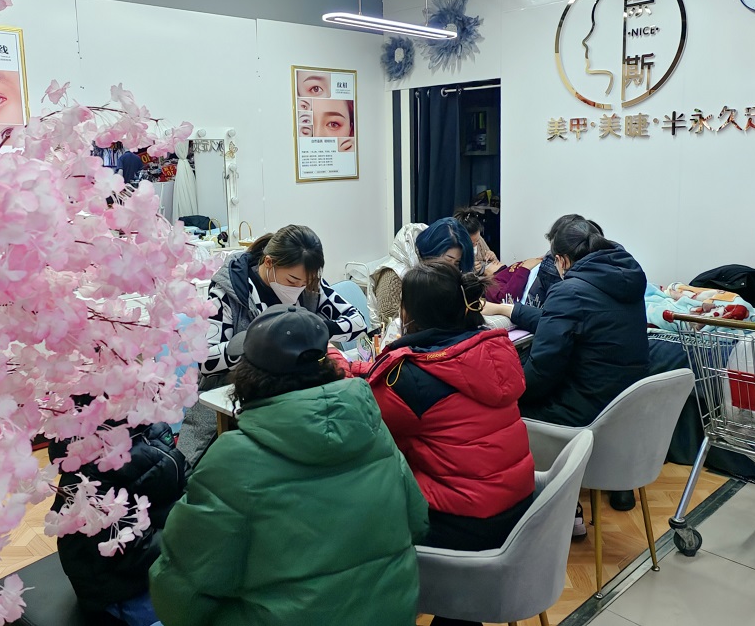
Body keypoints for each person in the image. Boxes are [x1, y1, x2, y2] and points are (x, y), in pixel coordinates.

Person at [149, 305, 428, 626]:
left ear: (247, 375)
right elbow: (417, 521)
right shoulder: (372, 429)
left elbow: (179, 592)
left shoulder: (233, 459)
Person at [351, 261, 534, 626]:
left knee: (353, 513)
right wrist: (361, 369)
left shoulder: (409, 378)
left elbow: (362, 423)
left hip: (465, 524)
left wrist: (343, 369)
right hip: (521, 512)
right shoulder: (493, 350)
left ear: (408, 312)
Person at [485, 219, 648, 527]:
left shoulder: (569, 291)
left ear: (561, 260)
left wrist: (502, 388)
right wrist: (509, 310)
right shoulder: (626, 281)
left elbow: (540, 377)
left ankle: (540, 506)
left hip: (580, 415)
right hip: (622, 411)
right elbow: (566, 320)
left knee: (495, 412)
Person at [179, 225, 367, 466]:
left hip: (295, 395)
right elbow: (206, 361)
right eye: (292, 280)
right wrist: (256, 343)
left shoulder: (308, 285)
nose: (299, 289)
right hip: (239, 398)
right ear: (269, 262)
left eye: (306, 282)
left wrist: (317, 328)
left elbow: (357, 321)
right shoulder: (229, 290)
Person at [50, 416, 188, 626]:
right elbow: (128, 552)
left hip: (162, 557)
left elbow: (184, 474)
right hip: (120, 587)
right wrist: (191, 530)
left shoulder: (152, 427)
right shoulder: (91, 464)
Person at [372, 217, 475, 326]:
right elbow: (391, 324)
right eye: (448, 260)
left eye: (457, 263)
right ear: (432, 251)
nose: (452, 268)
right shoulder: (394, 277)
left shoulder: (443, 274)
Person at [454, 207, 543, 303]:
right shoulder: (454, 254)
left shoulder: (479, 242)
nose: (476, 245)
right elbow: (506, 297)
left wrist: (492, 257)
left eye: (477, 241)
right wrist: (471, 271)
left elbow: (492, 261)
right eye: (472, 243)